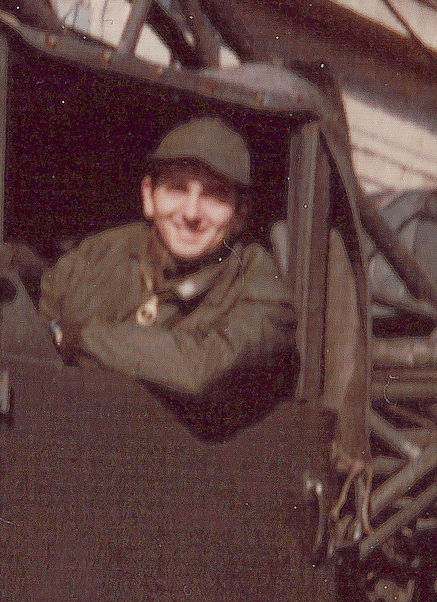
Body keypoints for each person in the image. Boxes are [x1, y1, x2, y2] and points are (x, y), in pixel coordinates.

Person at [37, 116, 296, 399]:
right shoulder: (95, 256)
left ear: (239, 216)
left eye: (214, 195)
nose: (191, 213)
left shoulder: (257, 281)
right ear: (149, 197)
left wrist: (78, 339)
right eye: (177, 189)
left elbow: (203, 368)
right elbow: (36, 336)